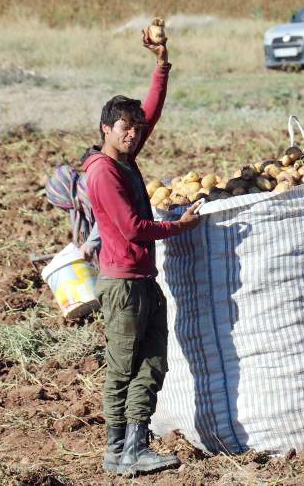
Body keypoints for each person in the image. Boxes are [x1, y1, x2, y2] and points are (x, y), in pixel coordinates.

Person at [82, 30, 201, 477]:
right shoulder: (103, 174)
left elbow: (151, 110)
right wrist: (179, 226)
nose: (132, 134)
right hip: (123, 285)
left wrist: (162, 63)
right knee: (122, 367)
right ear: (105, 130)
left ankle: (137, 444)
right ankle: (117, 450)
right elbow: (133, 228)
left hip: (142, 281)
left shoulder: (125, 160)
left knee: (152, 363)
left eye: (136, 129)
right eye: (123, 128)